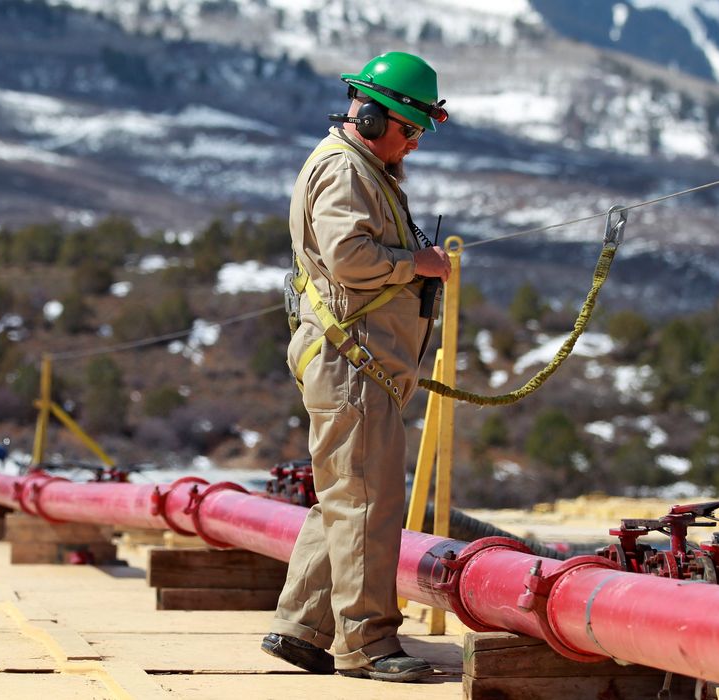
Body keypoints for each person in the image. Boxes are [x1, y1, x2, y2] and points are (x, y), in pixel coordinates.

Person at [262, 52, 452, 683]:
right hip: (352, 363)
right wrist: (415, 264)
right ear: (372, 118)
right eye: (409, 131)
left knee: (347, 497)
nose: (414, 145)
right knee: (368, 504)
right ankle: (367, 645)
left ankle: (304, 628)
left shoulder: (360, 164)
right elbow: (349, 257)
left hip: (356, 362)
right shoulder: (347, 170)